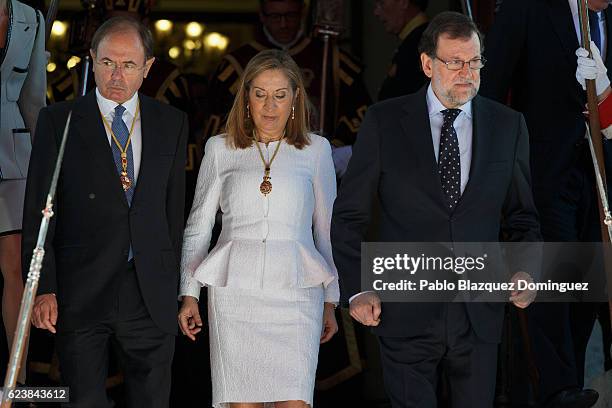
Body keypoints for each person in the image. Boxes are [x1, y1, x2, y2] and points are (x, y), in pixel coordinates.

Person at [331, 11, 541, 408]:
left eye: (475, 61)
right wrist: (357, 288)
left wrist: (526, 269)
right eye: (455, 62)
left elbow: (522, 217)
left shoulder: (508, 125)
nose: (467, 72)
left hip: (478, 314)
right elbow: (349, 217)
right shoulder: (384, 122)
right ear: (428, 64)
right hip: (403, 308)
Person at [22, 16, 187, 407]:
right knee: (83, 401)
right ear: (92, 60)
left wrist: (182, 290)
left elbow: (173, 213)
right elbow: (39, 211)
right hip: (81, 290)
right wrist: (44, 287)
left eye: (129, 65)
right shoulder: (58, 120)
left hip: (149, 292)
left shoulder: (172, 122)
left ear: (148, 68)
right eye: (108, 62)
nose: (117, 75)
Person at [178, 49, 339, 408]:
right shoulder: (220, 149)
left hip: (297, 294)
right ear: (246, 97)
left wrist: (332, 299)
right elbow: (198, 227)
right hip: (235, 296)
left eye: (280, 95)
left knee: (294, 402)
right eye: (260, 94)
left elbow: (327, 230)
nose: (270, 106)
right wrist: (189, 293)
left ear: (295, 98)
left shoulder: (316, 151)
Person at [480, 1, 610, 406]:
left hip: (600, 171)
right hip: (542, 169)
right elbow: (492, 90)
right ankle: (558, 387)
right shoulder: (529, 9)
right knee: (554, 277)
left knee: (587, 282)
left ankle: (563, 380)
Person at [204, 0, 372, 153]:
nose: (283, 24)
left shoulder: (331, 59)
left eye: (290, 15)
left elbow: (360, 113)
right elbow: (219, 122)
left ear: (303, 12)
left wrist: (337, 146)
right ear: (262, 16)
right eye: (275, 16)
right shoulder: (237, 63)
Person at [0, 0, 45, 385]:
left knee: (17, 266)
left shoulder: (31, 19)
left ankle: (18, 379)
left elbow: (33, 99)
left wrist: (44, 171)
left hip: (14, 155)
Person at [374, 0, 429, 101]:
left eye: (382, 3)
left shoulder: (422, 44)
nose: (376, 12)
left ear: (403, 2)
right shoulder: (415, 41)